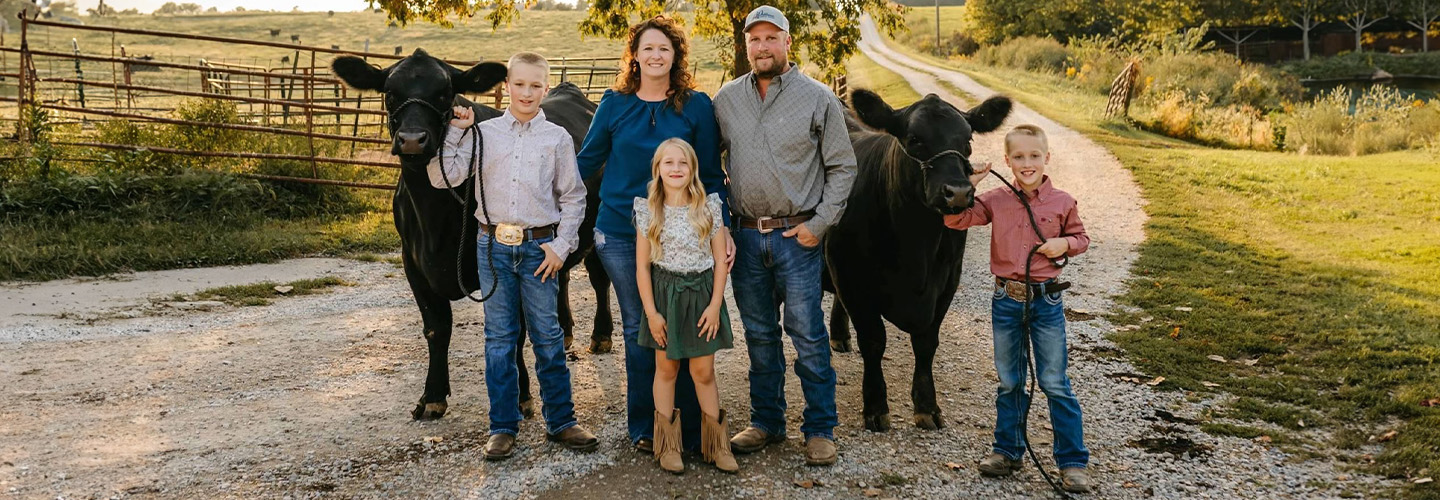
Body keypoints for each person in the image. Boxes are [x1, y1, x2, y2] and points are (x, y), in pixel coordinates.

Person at [430, 52, 598, 460]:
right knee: (500, 340)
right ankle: (502, 426)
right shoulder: (483, 133)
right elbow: (441, 177)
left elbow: (575, 197)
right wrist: (455, 133)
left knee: (548, 336)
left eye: (535, 86)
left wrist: (562, 247)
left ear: (545, 87)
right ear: (506, 86)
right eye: (519, 84)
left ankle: (562, 420)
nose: (526, 93)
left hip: (540, 247)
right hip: (493, 248)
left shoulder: (556, 138)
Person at [576, 16, 730, 454]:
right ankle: (649, 427)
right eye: (648, 48)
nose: (656, 55)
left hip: (685, 234)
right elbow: (585, 164)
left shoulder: (696, 106)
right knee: (643, 326)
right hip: (623, 234)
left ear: (675, 55)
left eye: (664, 48)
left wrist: (725, 230)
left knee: (687, 327)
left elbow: (712, 176)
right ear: (635, 55)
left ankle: (694, 426)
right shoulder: (613, 104)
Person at [712, 5, 856, 466]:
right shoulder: (726, 99)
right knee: (759, 335)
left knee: (808, 334)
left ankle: (819, 428)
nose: (762, 46)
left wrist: (819, 226)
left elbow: (842, 166)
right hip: (747, 238)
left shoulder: (817, 98)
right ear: (747, 45)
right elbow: (708, 166)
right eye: (755, 39)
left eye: (772, 38)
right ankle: (767, 422)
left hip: (798, 236)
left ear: (788, 42)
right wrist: (720, 224)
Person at [942, 124, 1092, 493]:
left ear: (1046, 158)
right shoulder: (995, 199)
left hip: (1047, 300)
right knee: (1011, 381)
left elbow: (1081, 238)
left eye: (1034, 156)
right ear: (1007, 161)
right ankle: (1007, 450)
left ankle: (1072, 462)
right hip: (1006, 301)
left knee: (1055, 382)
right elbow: (955, 219)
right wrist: (970, 185)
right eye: (1019, 157)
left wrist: (1063, 245)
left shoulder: (1062, 201)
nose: (1028, 163)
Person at [634, 138, 738, 474]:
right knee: (666, 369)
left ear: (692, 168)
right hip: (665, 296)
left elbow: (721, 261)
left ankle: (717, 445)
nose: (676, 169)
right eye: (669, 163)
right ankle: (667, 446)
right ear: (658, 169)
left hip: (701, 296)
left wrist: (714, 305)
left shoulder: (708, 206)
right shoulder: (648, 209)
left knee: (703, 372)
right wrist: (651, 312)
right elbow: (642, 267)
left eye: (683, 163)